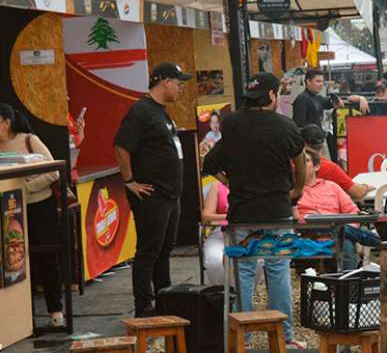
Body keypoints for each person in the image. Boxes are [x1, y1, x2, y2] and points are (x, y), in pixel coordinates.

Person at [202, 72, 307, 348]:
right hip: (277, 210)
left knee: (245, 273)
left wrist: (229, 181)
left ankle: (243, 338)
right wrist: (297, 190)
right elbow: (300, 162)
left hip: (243, 211)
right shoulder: (286, 126)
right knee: (278, 271)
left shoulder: (232, 124)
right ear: (272, 95)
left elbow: (210, 162)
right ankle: (284, 337)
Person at [114, 62, 191, 317]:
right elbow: (121, 146)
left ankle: (164, 297)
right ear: (165, 82)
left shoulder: (160, 111)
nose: (180, 88)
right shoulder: (141, 111)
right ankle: (144, 306)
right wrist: (129, 181)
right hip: (152, 195)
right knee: (148, 251)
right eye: (178, 83)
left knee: (164, 250)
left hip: (170, 195)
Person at [0, 104, 63, 326]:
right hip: (8, 212)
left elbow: (53, 171)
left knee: (46, 257)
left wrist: (26, 189)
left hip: (38, 205)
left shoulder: (29, 140)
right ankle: (21, 317)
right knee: (13, 261)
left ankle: (55, 310)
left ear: (6, 122)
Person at [296, 151, 380, 270]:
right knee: (340, 231)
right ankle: (380, 242)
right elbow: (293, 216)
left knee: (344, 239)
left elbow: (352, 212)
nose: (301, 164)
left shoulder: (332, 186)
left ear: (316, 167)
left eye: (306, 161)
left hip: (336, 233)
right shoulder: (293, 190)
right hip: (308, 231)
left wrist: (346, 229)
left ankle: (348, 284)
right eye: (300, 162)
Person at [293, 69, 368, 156]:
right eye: (318, 81)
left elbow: (340, 100)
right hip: (309, 145)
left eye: (322, 81)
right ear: (308, 82)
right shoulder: (302, 99)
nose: (321, 84)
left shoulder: (317, 97)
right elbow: (298, 125)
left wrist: (361, 98)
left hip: (318, 141)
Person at [301, 124, 374, 200]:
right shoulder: (329, 168)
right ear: (322, 145)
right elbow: (357, 192)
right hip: (325, 209)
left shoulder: (290, 162)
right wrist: (366, 187)